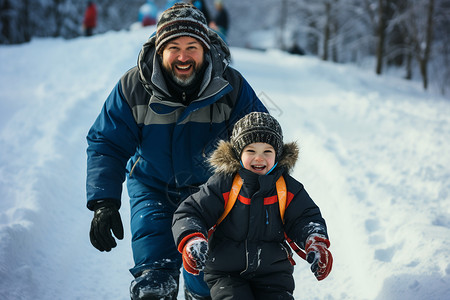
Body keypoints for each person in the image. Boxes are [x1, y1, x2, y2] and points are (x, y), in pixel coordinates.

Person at [86, 3, 267, 300]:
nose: (183, 56)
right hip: (152, 188)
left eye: (192, 47)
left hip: (211, 196)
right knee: (154, 278)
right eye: (174, 47)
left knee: (207, 277)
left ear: (206, 50)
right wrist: (104, 201)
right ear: (159, 51)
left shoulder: (230, 87)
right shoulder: (134, 86)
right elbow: (107, 142)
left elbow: (260, 144)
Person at [172, 112, 333, 299]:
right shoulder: (224, 184)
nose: (259, 158)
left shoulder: (287, 188)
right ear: (238, 153)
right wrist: (192, 239)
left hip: (273, 275)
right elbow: (191, 212)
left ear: (277, 155)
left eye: (267, 151)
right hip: (226, 273)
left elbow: (306, 218)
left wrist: (315, 241)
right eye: (251, 151)